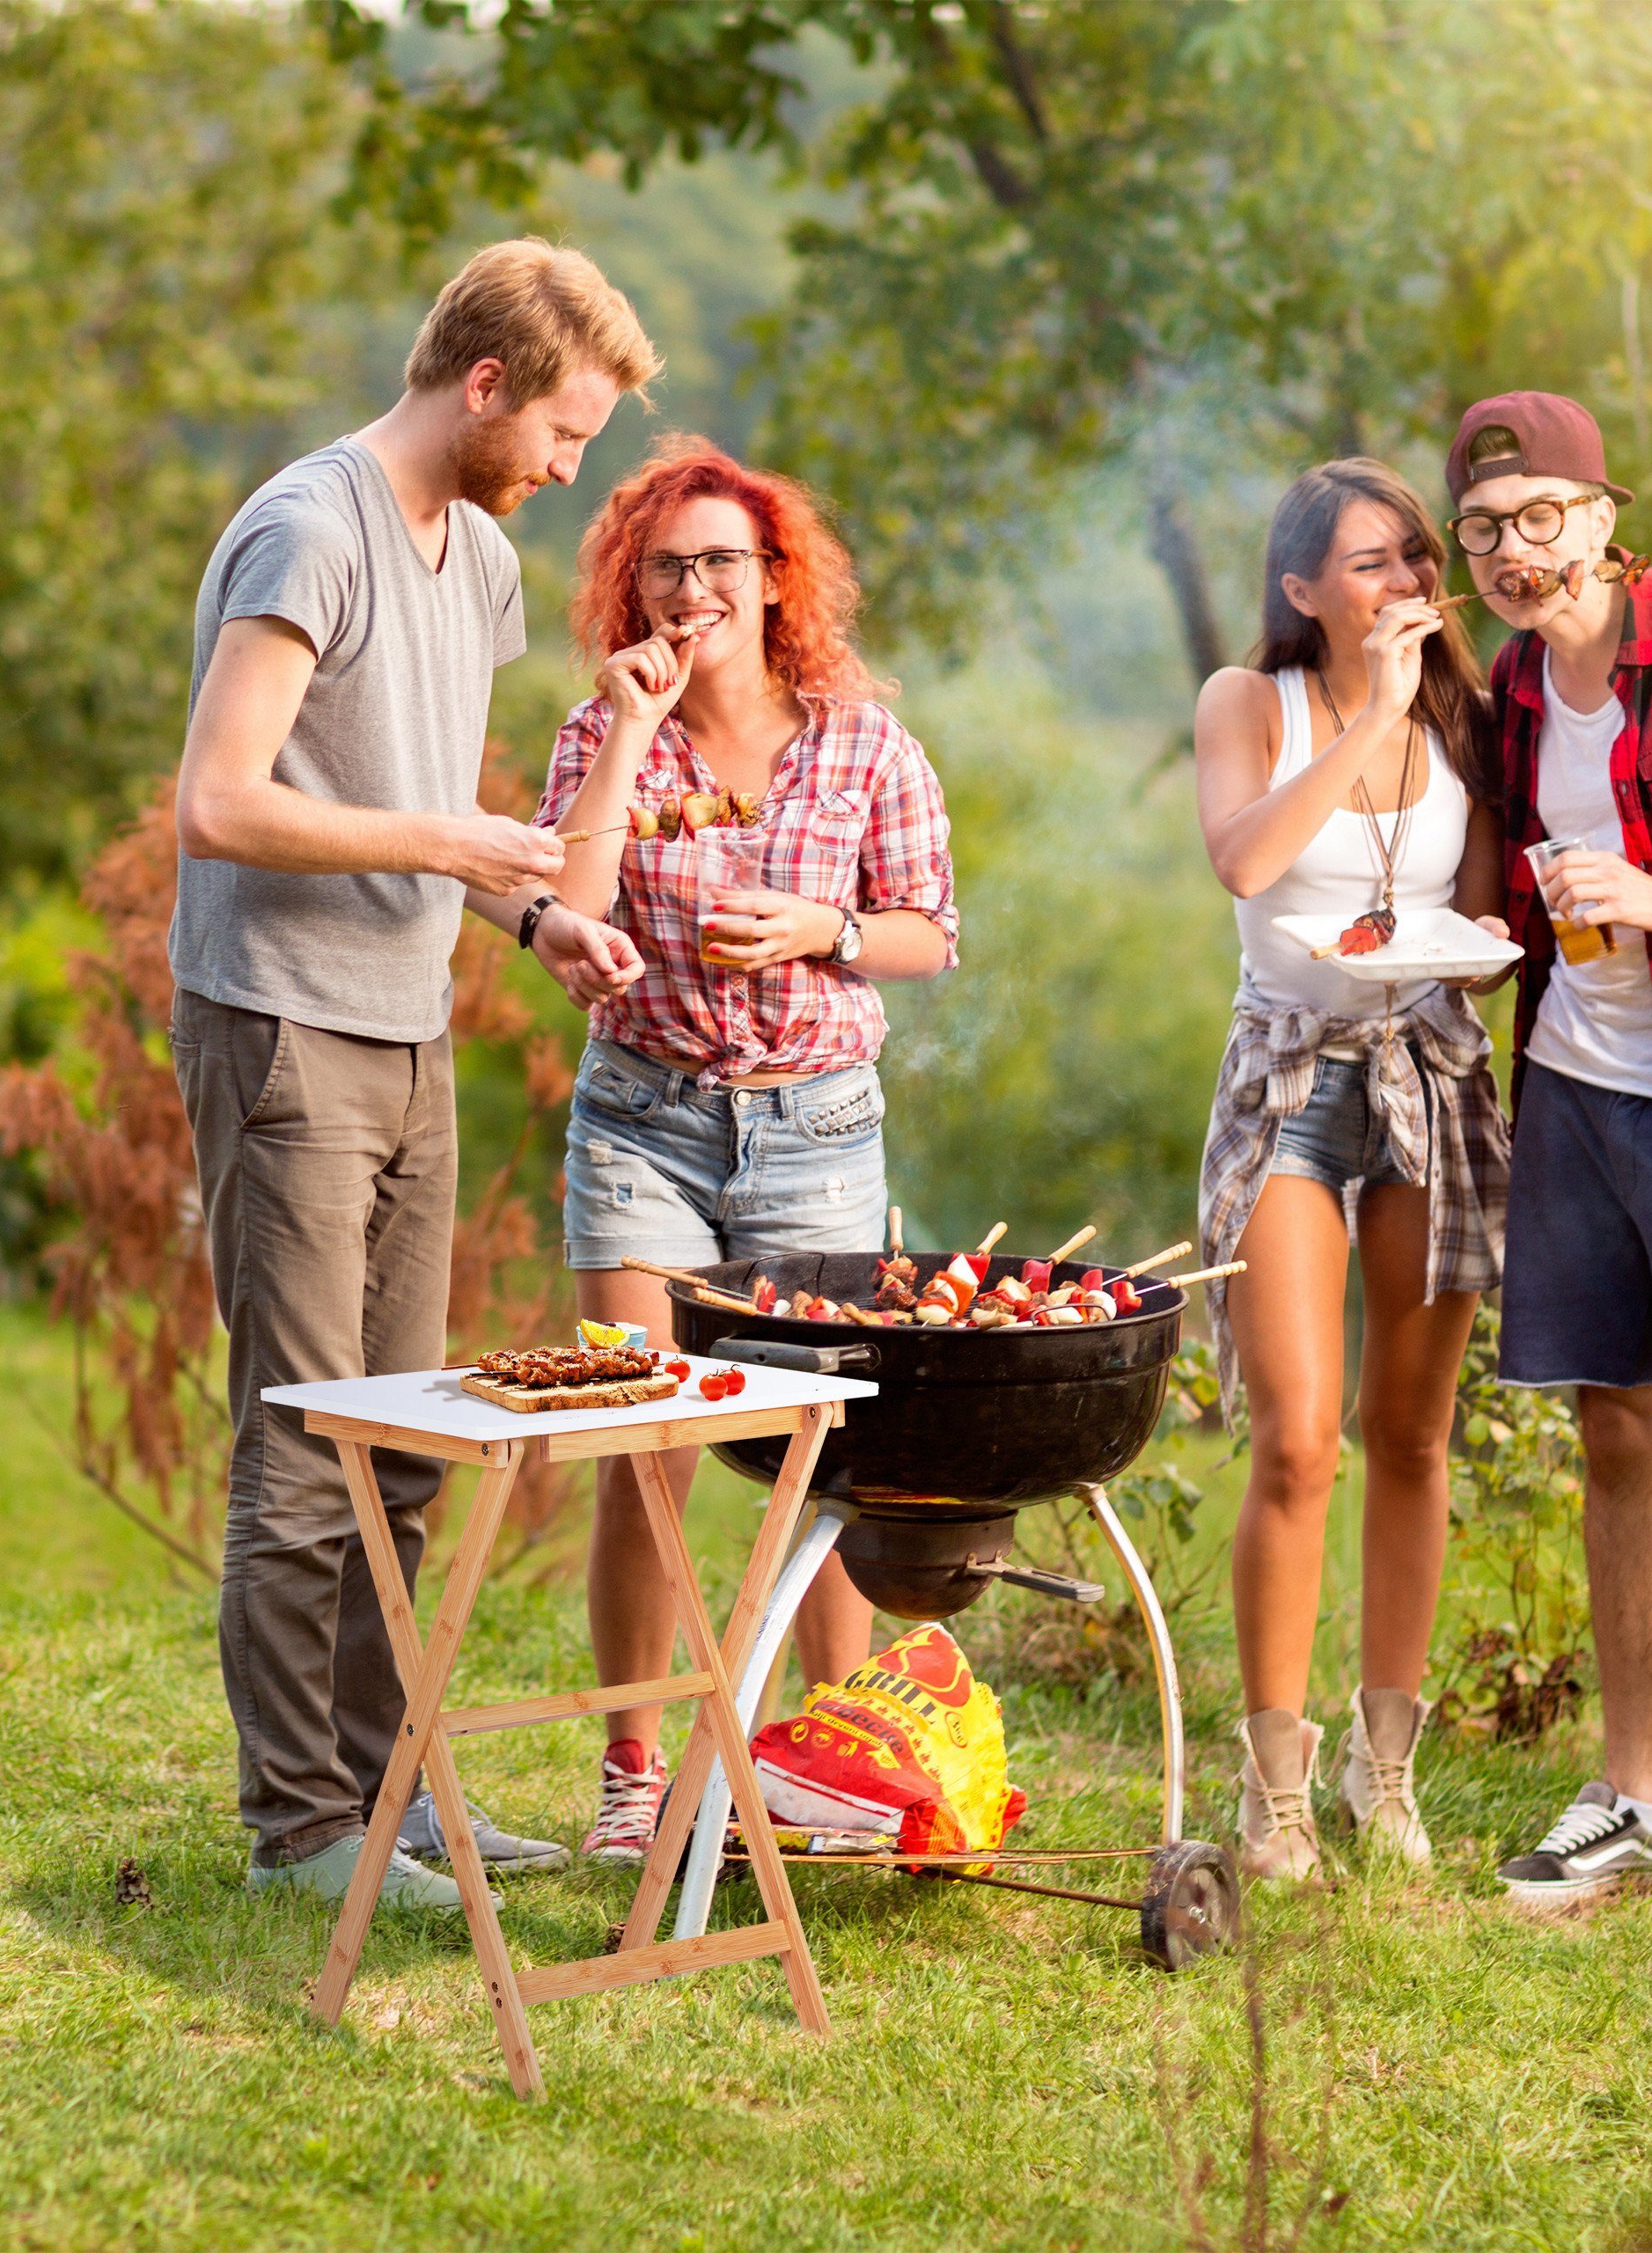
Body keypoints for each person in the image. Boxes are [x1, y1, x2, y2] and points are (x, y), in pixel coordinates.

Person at [171, 239, 657, 1913]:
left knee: (406, 1438)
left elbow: (417, 797)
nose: (566, 469)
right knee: (305, 1437)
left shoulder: (481, 563)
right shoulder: (313, 527)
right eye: (564, 434)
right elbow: (222, 802)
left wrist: (524, 917)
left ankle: (394, 1794)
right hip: (281, 1021)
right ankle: (298, 1826)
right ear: (484, 383)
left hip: (407, 1024)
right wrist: (454, 838)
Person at [530, 437, 959, 1865]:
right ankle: (635, 1775)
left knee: (821, 1453)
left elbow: (927, 932)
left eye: (724, 560)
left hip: (818, 1126)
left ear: (774, 580)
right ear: (634, 584)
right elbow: (566, 908)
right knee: (636, 1440)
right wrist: (635, 732)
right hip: (643, 1118)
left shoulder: (861, 740)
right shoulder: (603, 731)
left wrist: (818, 930)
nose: (697, 586)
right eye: (670, 565)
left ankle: (822, 1765)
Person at [1434, 394, 1652, 1924]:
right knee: (1618, 1438)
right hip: (1577, 1091)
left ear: (1603, 512)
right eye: (1486, 528)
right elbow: (1531, 888)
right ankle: (1635, 1803)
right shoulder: (1512, 679)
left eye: (1541, 515)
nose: (1515, 550)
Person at [1193, 459, 1510, 1882]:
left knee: (1413, 1432)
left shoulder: (1467, 715)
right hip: (1289, 1085)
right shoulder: (1248, 704)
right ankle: (1274, 1792)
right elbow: (1247, 865)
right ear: (1303, 587)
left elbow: (1486, 916)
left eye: (1412, 561)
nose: (1403, 589)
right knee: (1296, 1436)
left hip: (1431, 1073)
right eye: (1369, 565)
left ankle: (1389, 1779)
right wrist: (1369, 711)